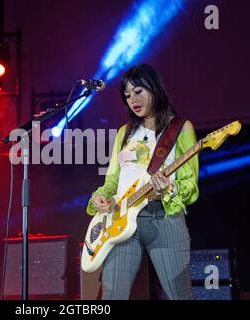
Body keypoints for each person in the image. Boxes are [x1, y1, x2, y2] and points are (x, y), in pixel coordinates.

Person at [86, 64, 199, 300]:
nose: (132, 100)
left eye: (138, 91)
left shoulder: (179, 128)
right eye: (127, 95)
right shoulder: (123, 133)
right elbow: (113, 180)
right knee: (112, 295)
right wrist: (102, 197)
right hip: (121, 221)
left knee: (180, 295)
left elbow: (191, 184)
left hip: (163, 219)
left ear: (155, 88)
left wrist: (170, 188)